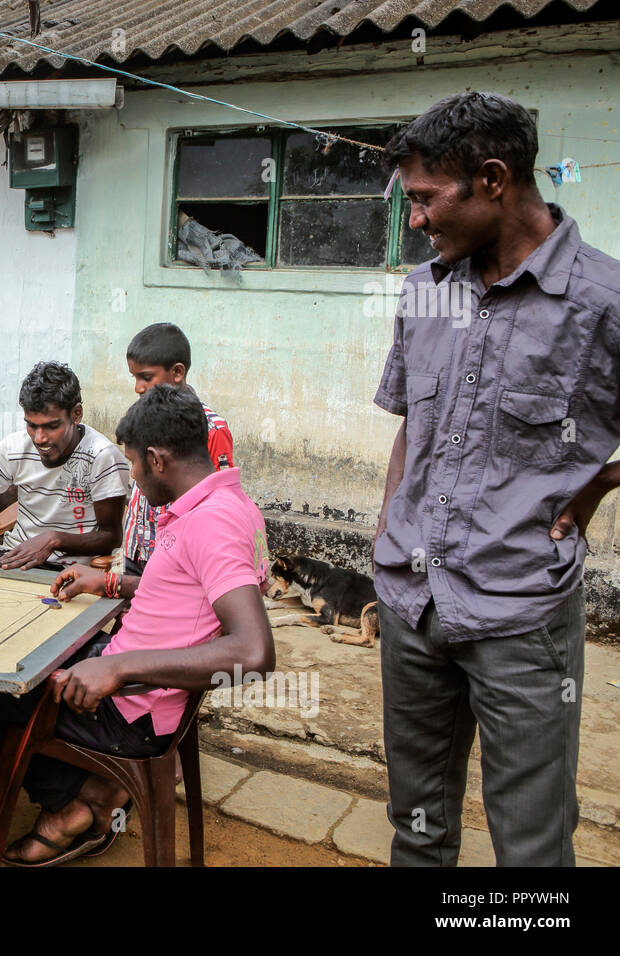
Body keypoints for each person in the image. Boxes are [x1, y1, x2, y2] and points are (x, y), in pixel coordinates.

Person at [373, 91, 620, 866]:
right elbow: (414, 420)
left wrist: (596, 485)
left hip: (520, 610)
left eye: (424, 199)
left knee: (533, 843)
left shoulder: (603, 300)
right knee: (416, 827)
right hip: (412, 604)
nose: (415, 220)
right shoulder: (425, 290)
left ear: (491, 179)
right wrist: (389, 537)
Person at [0, 384, 274, 866]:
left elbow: (254, 655)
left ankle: (76, 802)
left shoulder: (211, 522)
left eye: (131, 463)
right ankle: (95, 793)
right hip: (131, 682)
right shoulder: (225, 504)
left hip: (130, 709)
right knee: (35, 649)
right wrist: (106, 582)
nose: (130, 475)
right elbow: (181, 588)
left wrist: (119, 669)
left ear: (156, 459)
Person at [0, 361, 129, 571]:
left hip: (70, 571)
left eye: (52, 426)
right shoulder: (14, 448)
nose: (40, 438)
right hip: (12, 559)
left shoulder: (102, 457)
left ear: (76, 414)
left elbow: (111, 537)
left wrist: (54, 539)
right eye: (31, 425)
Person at [123, 323, 235, 580]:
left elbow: (218, 501)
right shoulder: (141, 417)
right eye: (135, 378)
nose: (138, 387)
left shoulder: (212, 428)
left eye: (146, 377)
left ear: (177, 372)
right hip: (136, 549)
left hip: (178, 559)